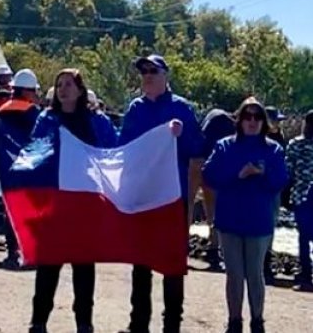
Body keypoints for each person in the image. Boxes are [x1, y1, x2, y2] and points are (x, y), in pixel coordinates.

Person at [118, 54, 204, 333]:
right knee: (140, 266)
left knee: (172, 265)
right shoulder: (135, 109)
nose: (147, 76)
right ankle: (138, 324)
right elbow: (124, 150)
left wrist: (182, 135)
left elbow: (197, 151)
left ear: (166, 75)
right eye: (143, 72)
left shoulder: (183, 109)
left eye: (153, 71)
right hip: (143, 198)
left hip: (171, 198)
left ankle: (172, 326)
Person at [27, 69, 117, 333]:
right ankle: (39, 320)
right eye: (59, 84)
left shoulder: (96, 121)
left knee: (84, 266)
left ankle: (84, 322)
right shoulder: (47, 119)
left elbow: (115, 149)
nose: (63, 89)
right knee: (49, 264)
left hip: (84, 203)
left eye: (68, 84)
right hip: (54, 203)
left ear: (80, 90)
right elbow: (34, 153)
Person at [202, 98, 288, 333]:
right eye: (247, 116)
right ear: (238, 120)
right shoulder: (224, 146)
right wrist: (237, 175)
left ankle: (257, 320)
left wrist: (262, 174)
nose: (252, 121)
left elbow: (281, 181)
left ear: (263, 121)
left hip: (259, 221)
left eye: (257, 117)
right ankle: (234, 321)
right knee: (234, 274)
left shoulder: (273, 149)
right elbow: (208, 176)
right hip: (229, 219)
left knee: (255, 273)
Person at [0, 69, 41, 270]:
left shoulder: (2, 109)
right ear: (28, 91)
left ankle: (11, 252)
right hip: (29, 169)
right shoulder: (32, 112)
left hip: (6, 170)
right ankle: (29, 253)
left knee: (10, 212)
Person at [200, 108, 236, 270]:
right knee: (216, 212)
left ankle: (213, 249)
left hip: (202, 165)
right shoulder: (225, 123)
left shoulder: (215, 116)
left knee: (211, 212)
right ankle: (214, 249)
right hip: (213, 171)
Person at [284, 110, 313, 292]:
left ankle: (305, 276)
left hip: (301, 196)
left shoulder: (296, 144)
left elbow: (287, 171)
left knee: (303, 237)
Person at [262, 105, 286, 285]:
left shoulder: (280, 139)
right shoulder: (260, 140)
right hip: (259, 191)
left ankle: (265, 262)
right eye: (275, 120)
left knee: (271, 225)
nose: (278, 123)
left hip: (274, 190)